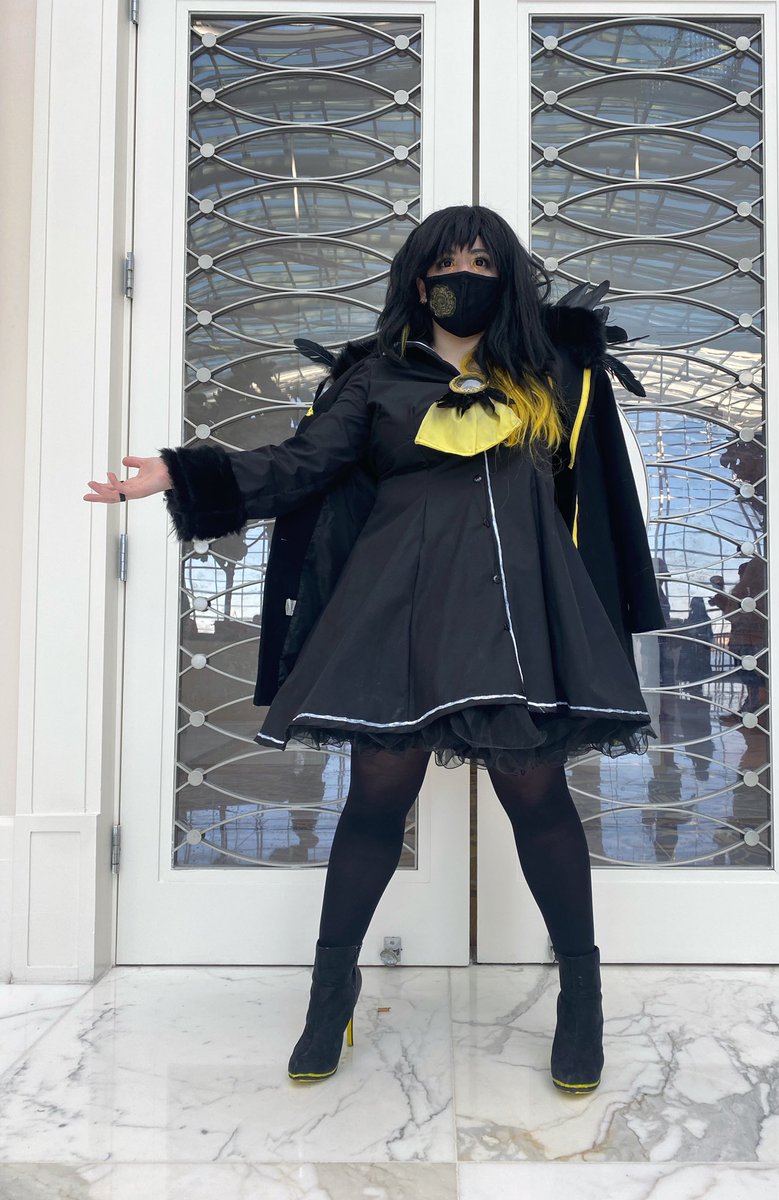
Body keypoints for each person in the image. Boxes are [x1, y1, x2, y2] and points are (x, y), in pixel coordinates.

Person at [84, 205, 664, 1095]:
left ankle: (581, 1001)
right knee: (374, 803)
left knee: (538, 802)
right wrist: (183, 471)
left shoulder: (552, 373)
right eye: (448, 262)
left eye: (483, 263)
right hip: (399, 615)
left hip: (518, 619)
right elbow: (298, 465)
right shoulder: (375, 380)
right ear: (419, 279)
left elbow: (592, 493)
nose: (464, 277)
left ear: (508, 277)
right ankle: (331, 993)